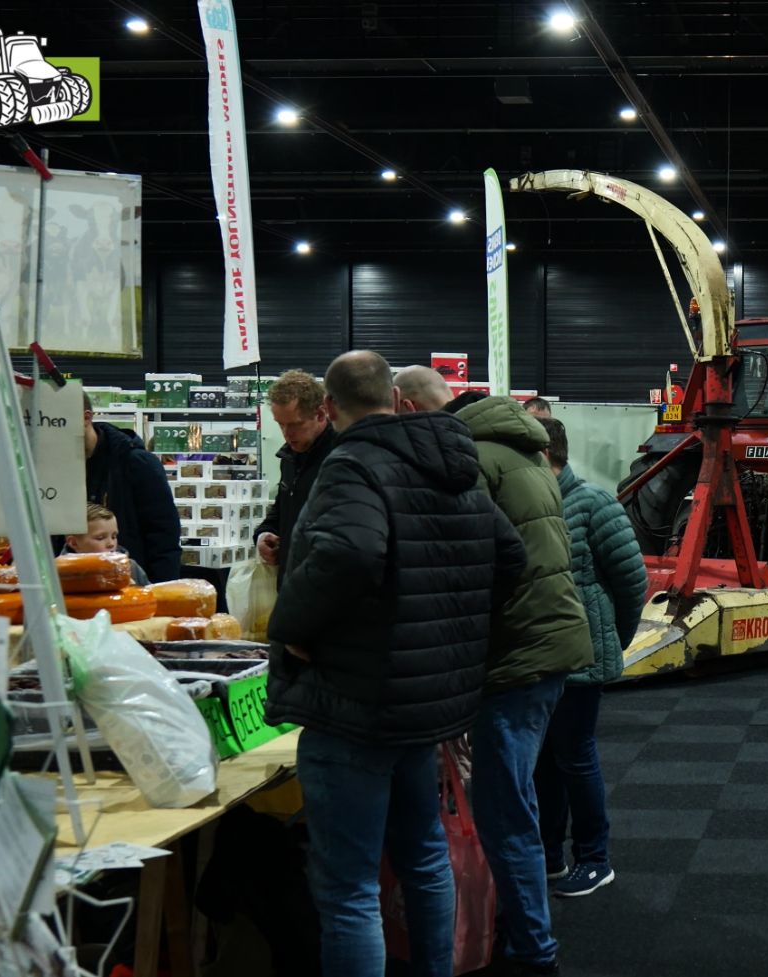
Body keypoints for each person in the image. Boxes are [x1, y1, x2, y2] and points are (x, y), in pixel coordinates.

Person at [265, 351, 526, 977]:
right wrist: (448, 628)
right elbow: (510, 556)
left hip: (355, 701)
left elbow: (350, 555)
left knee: (348, 888)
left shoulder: (353, 463)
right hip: (425, 704)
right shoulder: (452, 462)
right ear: (396, 398)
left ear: (330, 407)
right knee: (424, 856)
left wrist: (291, 628)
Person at [396, 365, 593, 975]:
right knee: (517, 800)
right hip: (545, 643)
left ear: (406, 408)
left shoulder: (469, 459)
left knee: (505, 811)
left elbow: (478, 564)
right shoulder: (519, 448)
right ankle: (520, 928)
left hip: (513, 653)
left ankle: (532, 950)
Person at [533, 416, 647, 898]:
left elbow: (633, 583)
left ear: (545, 454)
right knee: (544, 762)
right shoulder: (532, 504)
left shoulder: (594, 503)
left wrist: (611, 642)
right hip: (543, 659)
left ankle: (595, 860)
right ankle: (549, 856)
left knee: (575, 758)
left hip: (582, 660)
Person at [82, 392, 182, 582]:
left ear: (86, 418)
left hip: (132, 585)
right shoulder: (53, 469)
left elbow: (164, 538)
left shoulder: (136, 463)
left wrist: (161, 591)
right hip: (71, 585)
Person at [253, 370, 338, 581]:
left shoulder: (340, 459)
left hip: (325, 584)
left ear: (321, 414)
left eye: (295, 424)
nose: (287, 433)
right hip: (292, 582)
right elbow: (282, 508)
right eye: (280, 424)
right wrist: (264, 534)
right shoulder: (290, 457)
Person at [61, 502, 149, 585]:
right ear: (74, 543)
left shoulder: (131, 568)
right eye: (100, 538)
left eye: (114, 536)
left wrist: (134, 589)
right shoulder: (59, 574)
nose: (111, 544)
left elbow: (151, 594)